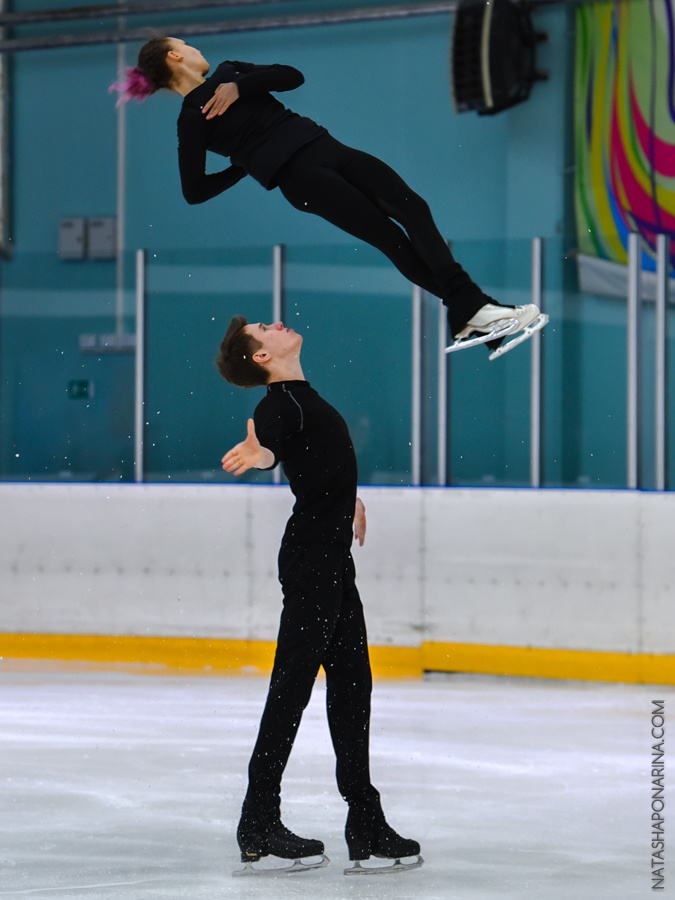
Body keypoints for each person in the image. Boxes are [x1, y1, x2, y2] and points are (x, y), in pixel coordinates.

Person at [111, 37, 547, 356]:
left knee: (414, 207)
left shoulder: (230, 72)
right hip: (301, 180)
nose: (194, 47)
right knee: (390, 238)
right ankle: (475, 309)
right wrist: (242, 165)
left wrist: (241, 87)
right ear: (175, 56)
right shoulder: (192, 120)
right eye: (185, 44)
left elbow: (291, 76)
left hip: (327, 148)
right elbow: (195, 191)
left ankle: (470, 310)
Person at [216, 316, 423, 876]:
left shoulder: (304, 398)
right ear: (261, 357)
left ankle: (365, 821)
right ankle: (259, 819)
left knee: (353, 686)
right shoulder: (278, 405)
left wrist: (347, 500)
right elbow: (270, 448)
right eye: (265, 327)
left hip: (331, 558)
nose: (276, 323)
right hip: (312, 561)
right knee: (292, 689)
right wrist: (260, 457)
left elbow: (319, 463)